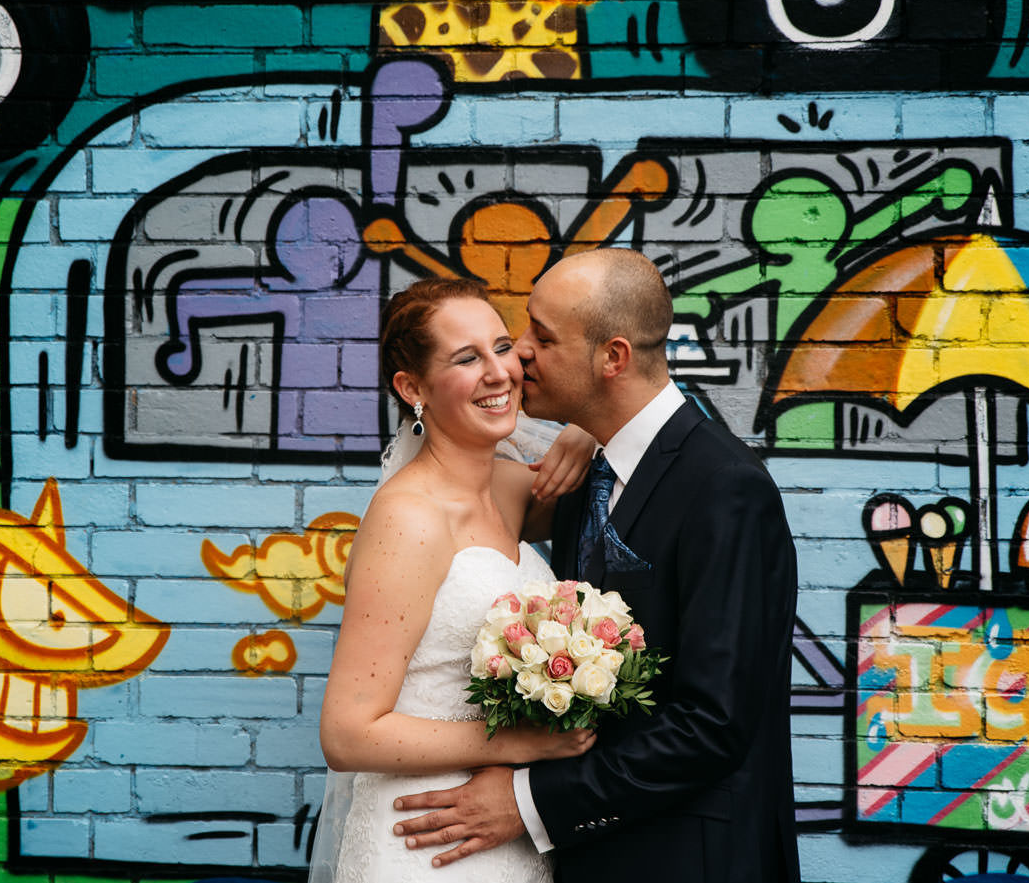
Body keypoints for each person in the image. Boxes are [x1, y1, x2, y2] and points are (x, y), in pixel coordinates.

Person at [391, 249, 801, 883]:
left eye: (541, 337)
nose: (518, 353)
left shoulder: (726, 488)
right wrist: (588, 428)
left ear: (613, 358)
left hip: (690, 860)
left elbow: (712, 726)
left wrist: (528, 802)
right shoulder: (589, 474)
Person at [311, 277, 598, 882]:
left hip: (509, 837)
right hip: (425, 839)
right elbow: (348, 733)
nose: (499, 372)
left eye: (501, 347)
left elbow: (622, 469)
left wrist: (587, 428)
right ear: (412, 388)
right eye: (466, 359)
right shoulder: (409, 519)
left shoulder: (510, 488)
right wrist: (519, 743)